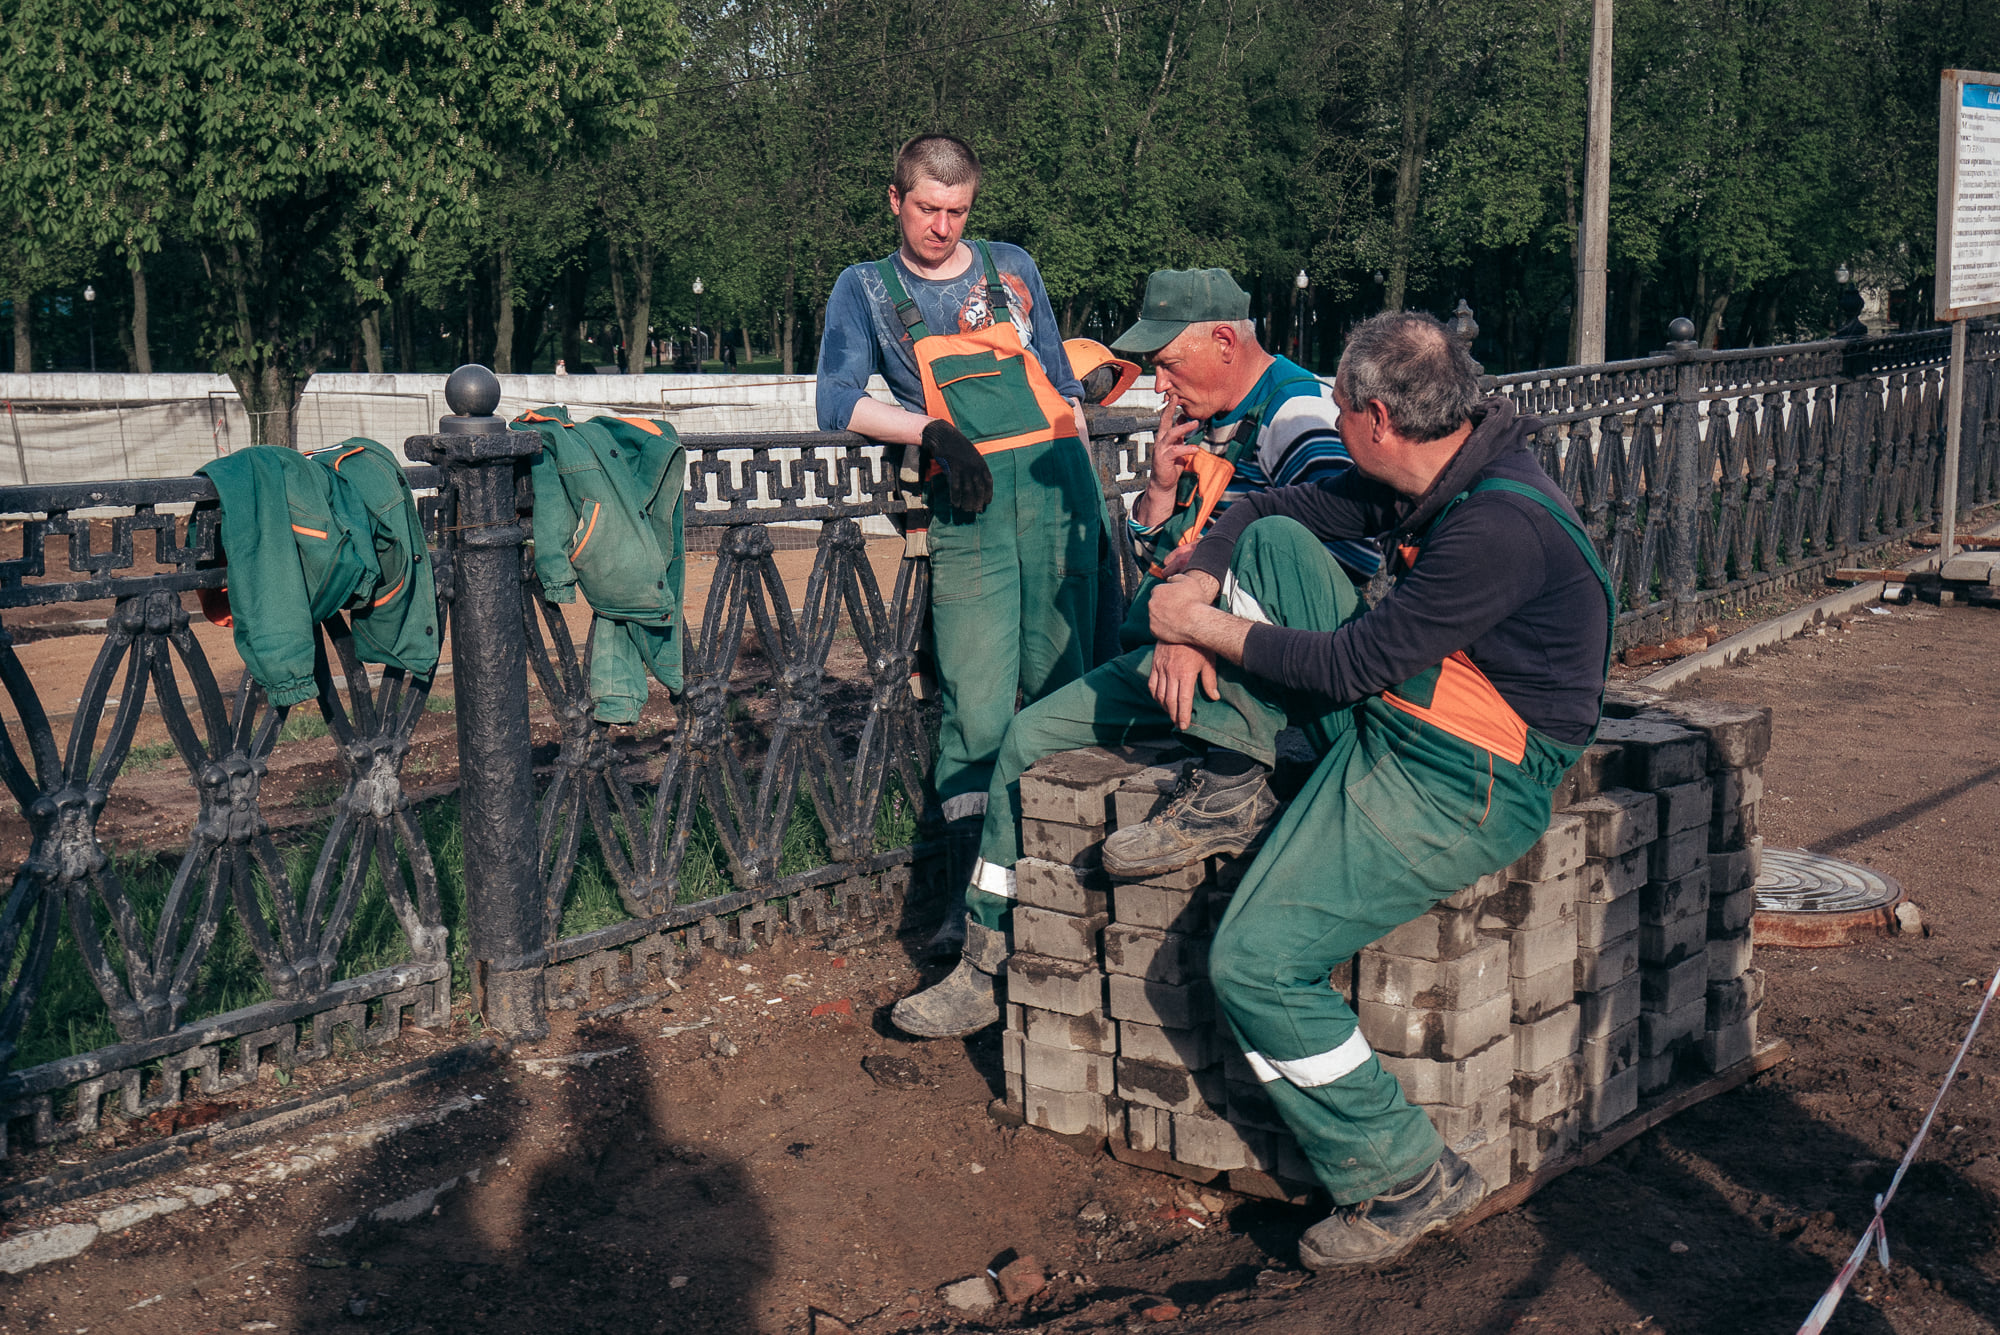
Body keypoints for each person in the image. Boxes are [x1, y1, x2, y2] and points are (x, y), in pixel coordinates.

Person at [901, 310, 1614, 1270]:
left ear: (1371, 418)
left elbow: (1359, 661)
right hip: (1413, 715)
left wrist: (1200, 629)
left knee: (1255, 964)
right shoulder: (1435, 471)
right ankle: (1238, 773)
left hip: (1472, 769)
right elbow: (1268, 512)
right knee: (1273, 543)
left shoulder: (1497, 522)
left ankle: (1404, 1174)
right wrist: (1195, 589)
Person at [892, 268, 1379, 1034]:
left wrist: (1199, 626)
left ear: (1225, 341)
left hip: (1274, 673)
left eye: (1166, 362)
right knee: (1026, 737)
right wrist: (1156, 494)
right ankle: (985, 960)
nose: (1157, 383)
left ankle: (1237, 779)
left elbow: (1330, 565)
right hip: (1187, 648)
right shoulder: (1209, 416)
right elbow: (1163, 559)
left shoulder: (1298, 412)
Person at [815, 134, 1107, 961]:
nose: (943, 227)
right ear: (895, 200)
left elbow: (1055, 378)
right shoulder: (866, 290)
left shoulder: (1011, 267)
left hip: (1058, 495)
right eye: (927, 209)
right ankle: (970, 907)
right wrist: (931, 431)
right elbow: (835, 400)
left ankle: (1066, 886)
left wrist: (1093, 507)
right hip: (969, 503)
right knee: (975, 710)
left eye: (958, 211)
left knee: (1068, 685)